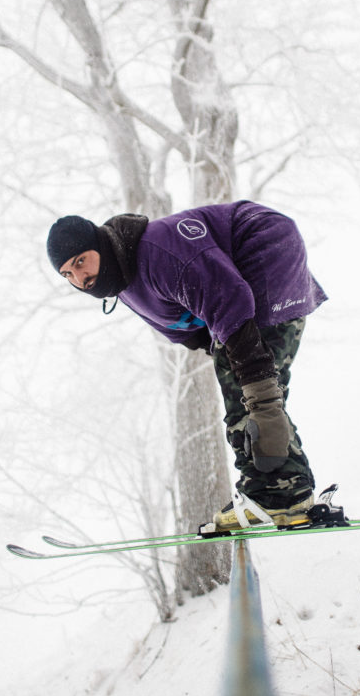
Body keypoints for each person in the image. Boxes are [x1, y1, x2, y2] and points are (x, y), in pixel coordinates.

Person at [46, 200, 327, 531]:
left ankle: (279, 498)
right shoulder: (126, 284)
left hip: (262, 245)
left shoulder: (157, 254)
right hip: (247, 282)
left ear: (99, 244)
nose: (81, 278)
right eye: (68, 274)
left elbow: (227, 300)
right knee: (243, 383)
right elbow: (198, 333)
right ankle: (289, 488)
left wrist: (258, 394)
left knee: (249, 388)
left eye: (81, 261)